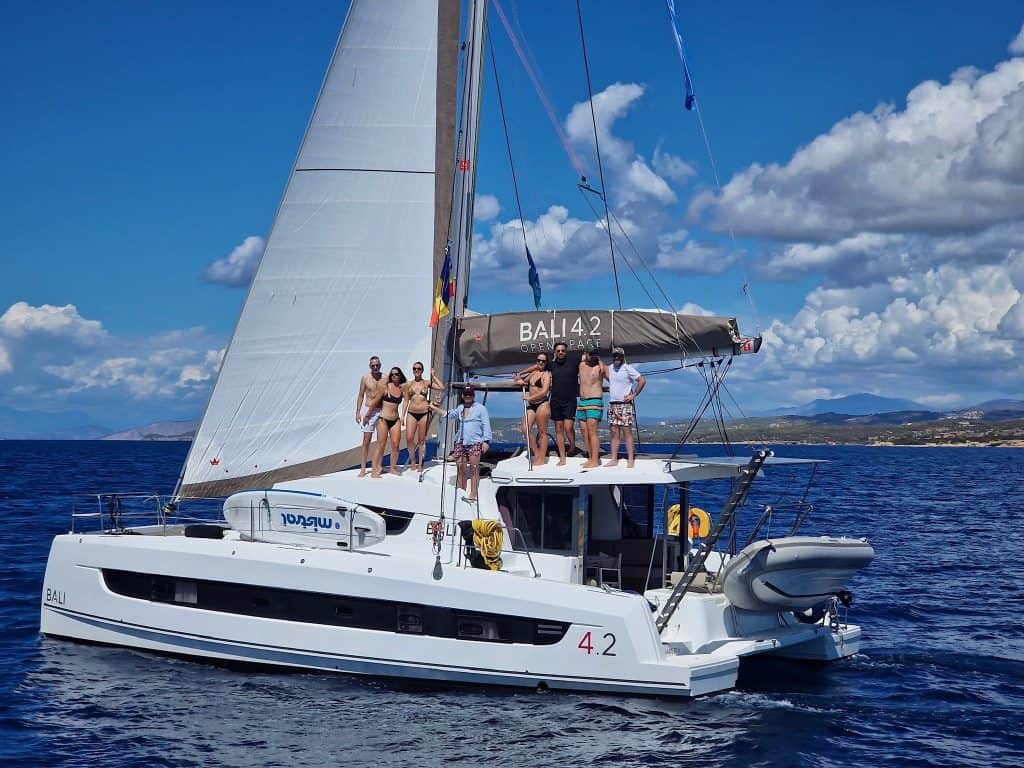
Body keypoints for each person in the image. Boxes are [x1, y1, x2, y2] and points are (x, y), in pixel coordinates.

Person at [429, 384, 491, 501]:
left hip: (475, 442)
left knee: (473, 468)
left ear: (473, 395)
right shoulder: (460, 408)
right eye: (466, 394)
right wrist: (434, 408)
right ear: (462, 395)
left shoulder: (481, 408)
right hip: (460, 442)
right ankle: (460, 492)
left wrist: (486, 441)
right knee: (460, 468)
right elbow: (449, 414)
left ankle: (473, 494)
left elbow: (486, 425)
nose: (468, 396)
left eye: (470, 394)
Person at [604, 347, 645, 468]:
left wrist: (634, 394)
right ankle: (614, 459)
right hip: (612, 404)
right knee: (614, 432)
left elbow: (642, 380)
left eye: (619, 356)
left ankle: (631, 460)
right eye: (615, 355)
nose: (617, 358)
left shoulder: (627, 368)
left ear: (622, 357)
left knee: (627, 433)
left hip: (624, 404)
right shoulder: (609, 368)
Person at [365, 366, 406, 477]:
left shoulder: (402, 389)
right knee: (381, 444)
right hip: (383, 419)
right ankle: (374, 471)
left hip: (395, 420)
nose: (394, 376)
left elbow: (409, 397)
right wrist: (367, 415)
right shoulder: (385, 387)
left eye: (396, 374)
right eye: (392, 374)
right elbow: (374, 402)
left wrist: (403, 416)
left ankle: (392, 468)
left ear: (400, 375)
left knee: (396, 445)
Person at [404, 362, 444, 472]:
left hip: (424, 413)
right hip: (411, 413)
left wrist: (434, 375)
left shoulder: (426, 383)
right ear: (413, 370)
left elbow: (441, 387)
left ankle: (420, 464)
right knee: (409, 439)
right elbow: (406, 400)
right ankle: (413, 460)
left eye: (419, 368)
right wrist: (402, 416)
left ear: (422, 370)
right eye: (414, 368)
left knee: (421, 440)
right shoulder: (409, 384)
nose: (416, 370)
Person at [514, 352, 552, 466]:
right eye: (539, 360)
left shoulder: (546, 375)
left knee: (542, 432)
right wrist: (519, 378)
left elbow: (544, 391)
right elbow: (521, 381)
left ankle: (541, 458)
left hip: (542, 404)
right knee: (525, 428)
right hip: (531, 405)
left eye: (543, 361)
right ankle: (536, 453)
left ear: (546, 363)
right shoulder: (533, 373)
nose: (540, 362)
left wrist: (529, 397)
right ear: (536, 361)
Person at [548, 342, 579, 465]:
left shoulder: (574, 362)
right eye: (558, 351)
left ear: (566, 351)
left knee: (568, 427)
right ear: (555, 352)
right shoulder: (551, 365)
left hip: (570, 400)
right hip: (555, 401)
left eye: (563, 350)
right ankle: (562, 456)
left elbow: (588, 362)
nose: (560, 352)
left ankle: (572, 446)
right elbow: (537, 367)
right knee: (558, 429)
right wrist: (521, 376)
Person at [355, 355, 384, 477]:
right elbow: (361, 395)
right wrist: (357, 412)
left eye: (377, 365)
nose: (375, 367)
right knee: (366, 441)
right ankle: (363, 468)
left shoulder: (385, 378)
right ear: (370, 366)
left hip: (382, 411)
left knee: (381, 441)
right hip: (369, 411)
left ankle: (377, 466)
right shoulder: (365, 378)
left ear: (380, 365)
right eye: (373, 366)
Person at [576, 349, 607, 468]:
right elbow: (583, 357)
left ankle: (595, 459)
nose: (592, 357)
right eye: (590, 354)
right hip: (582, 401)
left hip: (594, 400)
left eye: (594, 355)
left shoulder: (600, 367)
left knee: (592, 431)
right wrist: (586, 355)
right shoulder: (582, 364)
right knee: (584, 432)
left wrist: (599, 360)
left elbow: (607, 374)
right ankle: (590, 457)